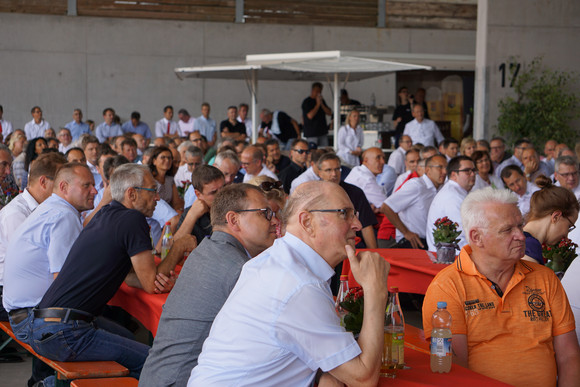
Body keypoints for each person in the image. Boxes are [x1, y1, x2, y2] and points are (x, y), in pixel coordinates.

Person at [188, 181, 390, 386]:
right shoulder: (298, 284)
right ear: (307, 222)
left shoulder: (279, 262)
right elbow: (364, 378)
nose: (356, 224)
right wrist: (375, 290)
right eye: (345, 213)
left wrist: (330, 375)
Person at [29, 164, 195, 384]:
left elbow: (128, 277)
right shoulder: (132, 220)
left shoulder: (105, 213)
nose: (158, 198)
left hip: (42, 324)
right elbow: (150, 284)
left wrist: (154, 278)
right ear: (132, 194)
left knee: (126, 337)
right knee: (155, 363)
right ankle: (53, 385)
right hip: (67, 332)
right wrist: (178, 247)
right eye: (152, 191)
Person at [423, 187, 580, 387]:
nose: (521, 236)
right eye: (507, 230)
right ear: (476, 237)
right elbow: (454, 366)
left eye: (520, 226)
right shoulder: (448, 286)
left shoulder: (545, 279)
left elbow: (569, 356)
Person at [140, 184, 279, 386]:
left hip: (157, 376)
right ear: (233, 220)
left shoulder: (207, 250)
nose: (275, 221)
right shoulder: (241, 268)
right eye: (266, 213)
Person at [3, 163, 97, 385]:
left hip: (24, 314)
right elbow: (65, 284)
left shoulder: (52, 208)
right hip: (35, 320)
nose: (94, 190)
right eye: (87, 185)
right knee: (136, 353)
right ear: (64, 187)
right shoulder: (64, 215)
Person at [0, 152, 66, 321]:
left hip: (27, 287)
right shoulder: (16, 213)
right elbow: (34, 263)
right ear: (43, 182)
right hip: (8, 295)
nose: (65, 189)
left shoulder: (50, 207)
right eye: (61, 183)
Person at [381, 155, 447, 249]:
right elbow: (386, 207)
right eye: (440, 167)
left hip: (432, 242)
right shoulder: (417, 185)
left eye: (446, 168)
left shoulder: (441, 188)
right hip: (413, 243)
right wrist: (406, 232)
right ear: (428, 170)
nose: (444, 172)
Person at [317, 153, 377, 251]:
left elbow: (366, 226)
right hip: (322, 246)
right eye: (328, 170)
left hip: (353, 245)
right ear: (319, 173)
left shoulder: (355, 192)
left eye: (337, 169)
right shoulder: (313, 193)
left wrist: (374, 253)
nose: (334, 174)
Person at [522, 176, 579, 265]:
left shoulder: (524, 243)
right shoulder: (528, 249)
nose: (566, 236)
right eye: (569, 226)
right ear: (556, 216)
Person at [426, 156, 476, 252]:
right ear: (454, 175)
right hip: (450, 258)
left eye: (473, 170)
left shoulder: (457, 192)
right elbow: (464, 232)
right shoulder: (452, 196)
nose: (473, 174)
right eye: (467, 171)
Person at [175, 165, 225, 244]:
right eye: (213, 192)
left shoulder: (235, 206)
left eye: (224, 188)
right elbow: (175, 247)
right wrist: (192, 216)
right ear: (198, 194)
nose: (221, 195)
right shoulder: (191, 213)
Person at [148, 146, 183, 212]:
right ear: (154, 161)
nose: (167, 160)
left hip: (169, 215)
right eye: (163, 157)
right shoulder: (149, 179)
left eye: (169, 158)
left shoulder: (170, 180)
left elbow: (176, 203)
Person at [301, 82, 332, 146]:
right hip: (312, 133)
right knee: (313, 151)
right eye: (317, 91)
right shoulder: (307, 102)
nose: (318, 93)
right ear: (312, 90)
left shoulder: (322, 101)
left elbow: (329, 113)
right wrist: (317, 105)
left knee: (324, 150)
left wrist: (322, 104)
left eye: (320, 91)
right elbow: (310, 116)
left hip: (322, 132)